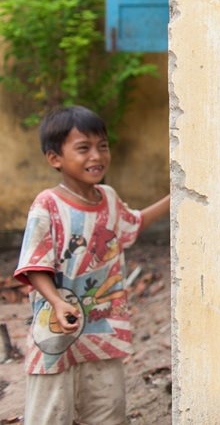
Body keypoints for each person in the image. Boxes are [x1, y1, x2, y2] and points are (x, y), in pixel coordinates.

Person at [14, 105, 171, 424]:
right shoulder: (48, 204)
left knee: (107, 409)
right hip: (57, 333)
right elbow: (34, 265)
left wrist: (177, 196)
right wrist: (57, 303)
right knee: (51, 411)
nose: (96, 156)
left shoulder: (109, 198)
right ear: (55, 158)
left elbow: (134, 224)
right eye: (83, 148)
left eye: (102, 146)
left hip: (103, 330)